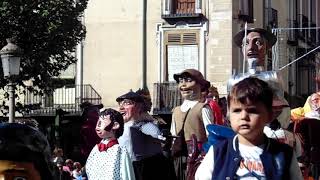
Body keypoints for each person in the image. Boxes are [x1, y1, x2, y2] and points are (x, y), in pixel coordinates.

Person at [195, 77, 303, 180]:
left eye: (252, 111)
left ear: (269, 115)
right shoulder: (217, 152)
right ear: (228, 114)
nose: (243, 117)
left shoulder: (284, 154)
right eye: (237, 110)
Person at [117, 90, 175, 180]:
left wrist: (160, 136)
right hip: (127, 166)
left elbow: (152, 131)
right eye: (120, 104)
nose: (121, 107)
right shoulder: (121, 126)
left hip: (144, 169)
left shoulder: (142, 124)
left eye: (126, 103)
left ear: (139, 107)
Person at [171, 69, 213, 180]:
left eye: (188, 80)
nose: (183, 85)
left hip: (199, 156)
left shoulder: (203, 108)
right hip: (180, 156)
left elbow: (211, 135)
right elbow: (173, 134)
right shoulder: (176, 111)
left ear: (200, 85)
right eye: (180, 81)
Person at [85, 108, 135, 180]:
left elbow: (126, 174)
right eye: (98, 121)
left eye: (103, 121)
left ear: (115, 125)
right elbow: (89, 169)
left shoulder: (120, 151)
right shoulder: (96, 149)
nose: (98, 124)